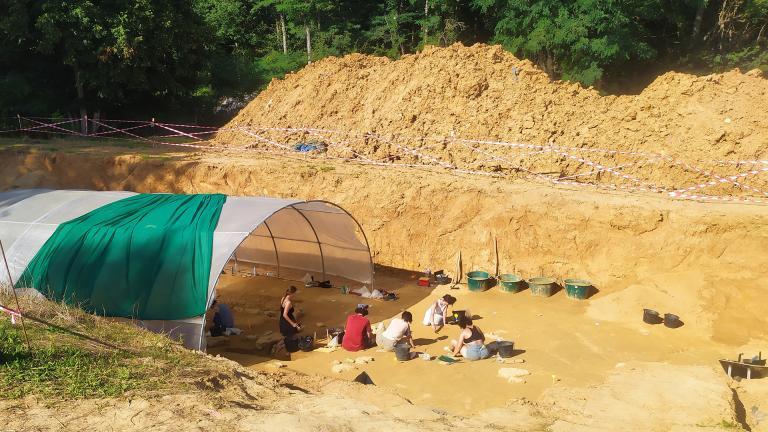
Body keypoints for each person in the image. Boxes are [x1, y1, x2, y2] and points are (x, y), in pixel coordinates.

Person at [279, 286, 302, 352]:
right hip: (288, 321)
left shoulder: (283, 298)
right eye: (295, 293)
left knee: (288, 336)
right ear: (292, 293)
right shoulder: (288, 302)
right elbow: (285, 314)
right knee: (291, 336)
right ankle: (289, 350)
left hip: (283, 321)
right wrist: (293, 324)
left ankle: (286, 348)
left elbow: (282, 311)